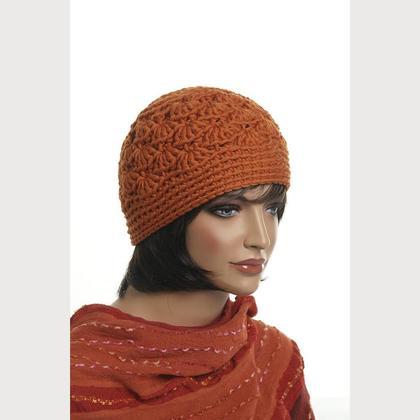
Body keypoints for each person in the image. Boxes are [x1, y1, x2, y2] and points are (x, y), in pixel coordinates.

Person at [70, 86, 315, 419]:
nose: (261, 238)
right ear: (165, 218)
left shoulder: (274, 361)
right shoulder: (75, 380)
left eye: (271, 209)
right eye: (227, 210)